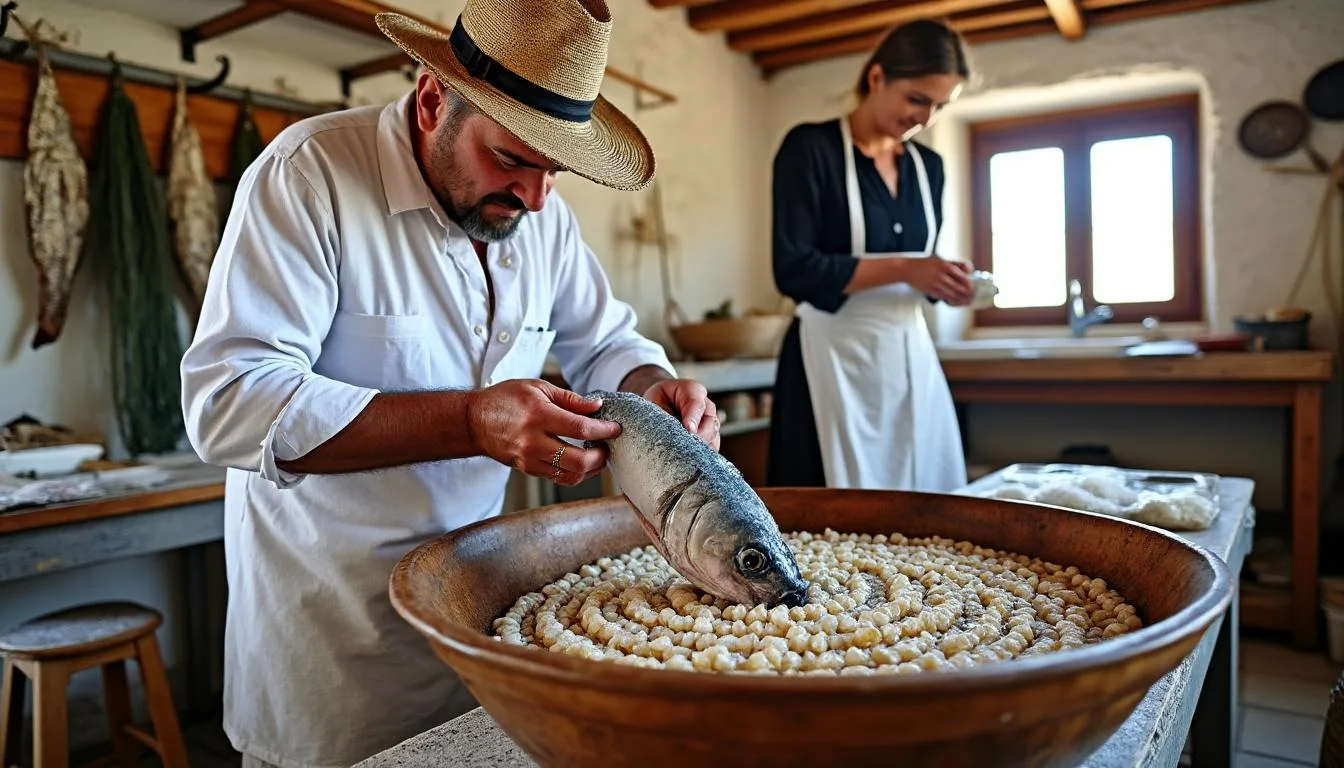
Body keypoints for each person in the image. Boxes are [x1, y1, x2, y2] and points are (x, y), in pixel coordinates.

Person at [179, 1, 720, 765]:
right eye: (511, 160)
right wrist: (470, 422)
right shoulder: (311, 174)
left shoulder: (541, 217)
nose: (535, 198)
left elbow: (605, 341)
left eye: (554, 172)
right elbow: (229, 403)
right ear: (434, 100)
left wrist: (654, 385)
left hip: (479, 621)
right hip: (336, 649)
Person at [765, 19, 975, 493]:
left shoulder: (929, 168)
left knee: (922, 502)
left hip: (908, 356)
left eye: (940, 106)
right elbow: (793, 269)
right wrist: (905, 267)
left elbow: (922, 264)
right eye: (917, 99)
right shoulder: (810, 149)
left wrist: (944, 280)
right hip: (828, 358)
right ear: (876, 77)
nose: (926, 118)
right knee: (829, 514)